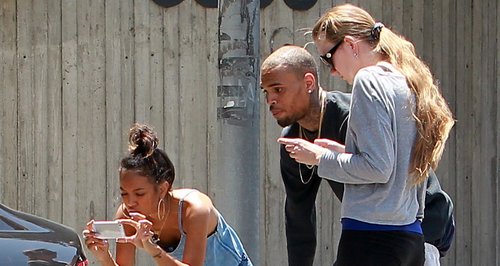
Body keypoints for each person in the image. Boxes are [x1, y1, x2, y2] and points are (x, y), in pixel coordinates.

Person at [276, 4, 455, 265]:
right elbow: (406, 168)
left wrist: (319, 158)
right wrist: (340, 154)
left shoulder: (369, 80)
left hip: (371, 235)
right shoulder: (407, 79)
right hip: (409, 234)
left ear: (350, 44)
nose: (333, 71)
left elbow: (378, 168)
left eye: (328, 58)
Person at [83, 123, 252, 266]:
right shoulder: (127, 215)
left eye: (139, 194)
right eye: (124, 194)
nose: (130, 202)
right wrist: (104, 257)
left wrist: (151, 248)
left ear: (162, 189)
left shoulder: (195, 209)